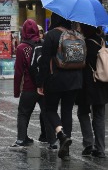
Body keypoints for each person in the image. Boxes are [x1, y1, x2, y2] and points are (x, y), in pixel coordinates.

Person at [37, 13, 83, 160]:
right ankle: (66, 151)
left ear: (55, 19)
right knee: (67, 111)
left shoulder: (51, 35)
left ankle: (61, 135)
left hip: (55, 80)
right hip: (75, 80)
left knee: (50, 109)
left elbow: (44, 62)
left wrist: (40, 83)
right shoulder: (77, 35)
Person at [12, 19, 56, 149]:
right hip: (44, 86)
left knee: (23, 113)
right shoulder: (44, 44)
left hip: (29, 87)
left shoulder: (21, 48)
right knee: (47, 113)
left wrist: (16, 91)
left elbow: (18, 72)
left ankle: (21, 139)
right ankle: (52, 141)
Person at [76, 24, 108, 158]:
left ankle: (88, 143)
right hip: (101, 83)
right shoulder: (102, 41)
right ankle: (100, 148)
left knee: (83, 112)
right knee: (99, 116)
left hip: (87, 84)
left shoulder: (84, 44)